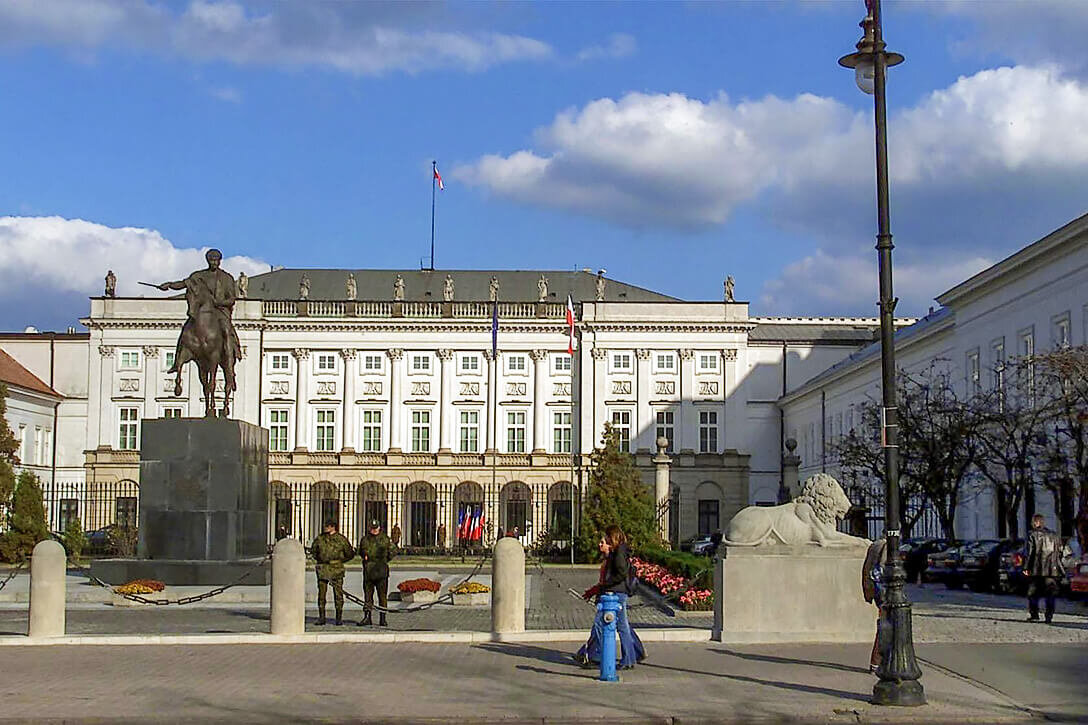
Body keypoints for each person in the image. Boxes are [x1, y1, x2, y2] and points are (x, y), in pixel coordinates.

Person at [574, 525, 644, 670]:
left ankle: (598, 656)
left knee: (604, 624)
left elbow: (621, 573)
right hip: (617, 592)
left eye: (606, 539)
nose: (603, 541)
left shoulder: (618, 553)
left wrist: (606, 584)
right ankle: (629, 658)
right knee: (622, 626)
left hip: (615, 593)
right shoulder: (619, 551)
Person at [310, 519, 355, 626]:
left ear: (333, 527)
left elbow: (350, 553)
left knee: (338, 595)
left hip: (336, 569)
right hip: (323, 568)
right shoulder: (320, 539)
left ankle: (338, 618)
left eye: (328, 526)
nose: (326, 528)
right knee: (321, 595)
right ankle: (321, 617)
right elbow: (314, 552)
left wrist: (339, 561)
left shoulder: (341, 539)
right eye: (326, 526)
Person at [1024, 513, 1064, 624]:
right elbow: (1060, 551)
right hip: (1052, 569)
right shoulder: (1054, 535)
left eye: (1033, 522)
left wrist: (1026, 567)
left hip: (1036, 569)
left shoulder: (1032, 535)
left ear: (1037, 522)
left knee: (1033, 593)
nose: (1032, 524)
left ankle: (1034, 614)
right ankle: (1049, 616)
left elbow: (1029, 553)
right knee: (1050, 593)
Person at [358, 518, 393, 627]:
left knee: (382, 596)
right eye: (372, 528)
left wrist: (385, 559)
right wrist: (365, 557)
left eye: (375, 528)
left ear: (379, 528)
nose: (373, 530)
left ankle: (383, 618)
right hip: (369, 571)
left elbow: (393, 551)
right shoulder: (365, 539)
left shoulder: (385, 539)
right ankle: (367, 617)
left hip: (381, 570)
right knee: (368, 596)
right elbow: (361, 552)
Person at [862, 536, 888, 673]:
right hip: (884, 591)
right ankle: (877, 662)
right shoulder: (887, 546)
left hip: (874, 590)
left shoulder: (874, 545)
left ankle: (876, 662)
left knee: (884, 624)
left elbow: (866, 568)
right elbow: (883, 568)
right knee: (887, 625)